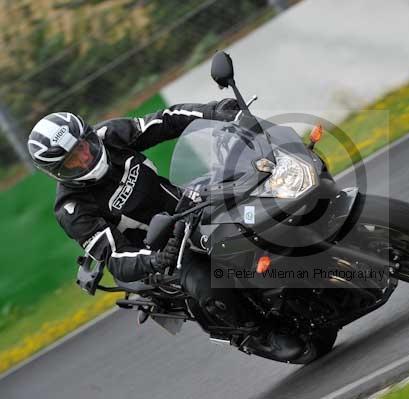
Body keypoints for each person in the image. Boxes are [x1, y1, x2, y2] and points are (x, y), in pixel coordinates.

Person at [27, 99, 247, 326]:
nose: (85, 158)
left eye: (82, 147)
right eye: (72, 160)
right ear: (57, 172)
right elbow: (115, 258)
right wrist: (157, 259)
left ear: (89, 136)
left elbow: (165, 120)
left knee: (257, 207)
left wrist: (214, 112)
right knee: (208, 286)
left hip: (189, 204)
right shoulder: (72, 208)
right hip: (162, 251)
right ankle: (258, 332)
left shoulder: (109, 135)